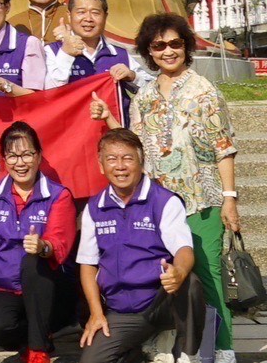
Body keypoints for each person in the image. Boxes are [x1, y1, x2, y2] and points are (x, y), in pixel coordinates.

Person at [94, 15, 240, 363]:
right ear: (148, 51)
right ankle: (170, 344)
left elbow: (224, 147)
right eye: (159, 45)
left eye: (175, 43)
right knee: (163, 274)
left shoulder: (205, 91)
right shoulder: (143, 94)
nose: (168, 51)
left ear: (186, 46)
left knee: (207, 274)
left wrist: (230, 198)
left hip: (201, 200)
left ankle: (222, 347)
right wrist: (107, 119)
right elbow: (136, 145)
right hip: (158, 204)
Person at [75, 130, 197, 363]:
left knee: (191, 283)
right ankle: (142, 347)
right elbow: (88, 265)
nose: (120, 166)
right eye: (112, 159)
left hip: (160, 301)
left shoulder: (164, 201)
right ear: (101, 166)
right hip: (121, 310)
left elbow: (184, 249)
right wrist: (96, 313)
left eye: (128, 158)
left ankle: (186, 347)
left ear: (141, 163)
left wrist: (179, 272)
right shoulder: (94, 208)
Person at [0, 122, 76, 363]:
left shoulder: (59, 195)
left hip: (49, 289)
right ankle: (37, 338)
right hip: (6, 287)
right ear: (4, 160)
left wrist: (42, 247)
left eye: (27, 154)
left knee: (32, 261)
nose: (20, 162)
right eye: (13, 156)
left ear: (38, 156)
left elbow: (59, 243)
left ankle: (38, 351)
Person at [43, 0, 139, 96]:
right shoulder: (52, 51)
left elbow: (152, 88)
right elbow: (49, 94)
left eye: (95, 13)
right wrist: (66, 54)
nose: (88, 18)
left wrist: (132, 76)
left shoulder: (119, 54)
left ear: (105, 17)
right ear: (69, 16)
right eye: (81, 12)